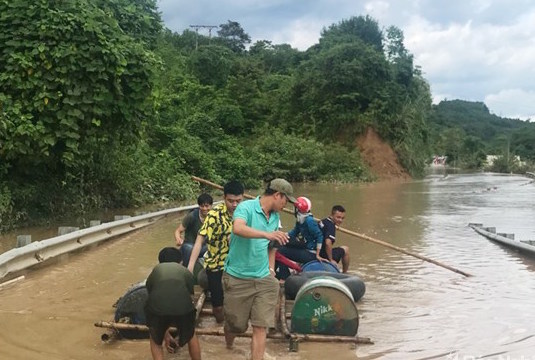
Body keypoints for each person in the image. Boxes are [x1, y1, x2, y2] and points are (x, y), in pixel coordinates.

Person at [223, 178, 294, 360]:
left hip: (263, 278)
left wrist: (271, 270)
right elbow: (238, 228)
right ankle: (228, 345)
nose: (286, 205)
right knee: (236, 325)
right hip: (237, 276)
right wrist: (266, 233)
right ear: (277, 195)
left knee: (260, 327)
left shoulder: (275, 217)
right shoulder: (245, 208)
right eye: (286, 200)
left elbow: (271, 245)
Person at [187, 180, 244, 323]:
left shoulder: (246, 212)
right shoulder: (214, 215)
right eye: (231, 201)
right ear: (224, 198)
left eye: (238, 201)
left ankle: (232, 327)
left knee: (237, 304)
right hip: (216, 264)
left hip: (237, 264)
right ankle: (221, 325)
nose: (235, 205)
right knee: (218, 307)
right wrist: (190, 267)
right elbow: (200, 240)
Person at [144, 247, 201, 360]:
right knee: (191, 335)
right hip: (183, 309)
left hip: (157, 309)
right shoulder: (184, 271)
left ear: (160, 262)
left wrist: (164, 334)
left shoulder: (156, 270)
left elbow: (153, 297)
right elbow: (191, 297)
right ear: (180, 261)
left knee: (155, 340)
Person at [278, 196, 325, 266]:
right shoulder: (300, 219)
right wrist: (282, 236)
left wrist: (317, 254)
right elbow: (294, 232)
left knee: (280, 250)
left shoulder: (309, 221)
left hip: (311, 252)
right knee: (279, 244)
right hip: (304, 246)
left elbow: (319, 236)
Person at [175, 193, 213, 267]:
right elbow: (178, 231)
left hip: (204, 246)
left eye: (207, 206)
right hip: (190, 245)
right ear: (199, 206)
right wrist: (178, 239)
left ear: (211, 206)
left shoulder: (214, 216)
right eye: (202, 206)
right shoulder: (192, 216)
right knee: (189, 249)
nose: (205, 209)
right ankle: (186, 269)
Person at [319, 205, 350, 273]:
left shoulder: (324, 221)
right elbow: (328, 243)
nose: (340, 220)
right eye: (338, 217)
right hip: (323, 254)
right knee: (346, 249)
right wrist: (331, 260)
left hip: (318, 251)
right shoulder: (331, 226)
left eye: (342, 218)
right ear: (332, 215)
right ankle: (345, 273)